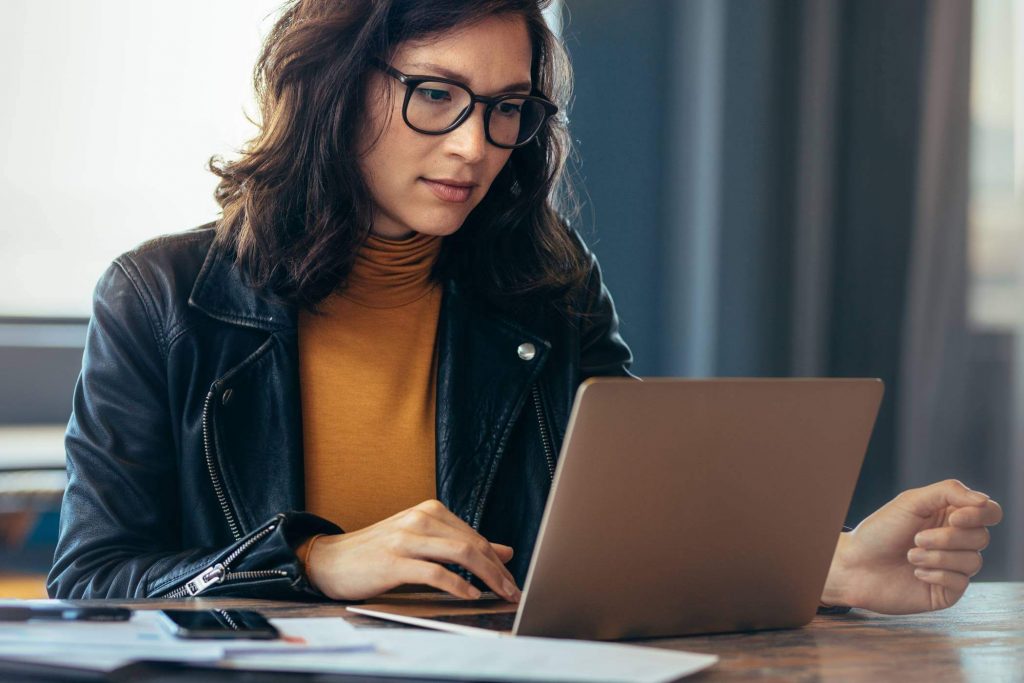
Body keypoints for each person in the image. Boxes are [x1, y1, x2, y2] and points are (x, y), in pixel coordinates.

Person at [48, 0, 1002, 616]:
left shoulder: (548, 282)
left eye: (507, 108)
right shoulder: (162, 297)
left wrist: (826, 565)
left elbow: (629, 533)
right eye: (435, 95)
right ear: (331, 88)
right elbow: (91, 580)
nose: (475, 145)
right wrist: (316, 560)